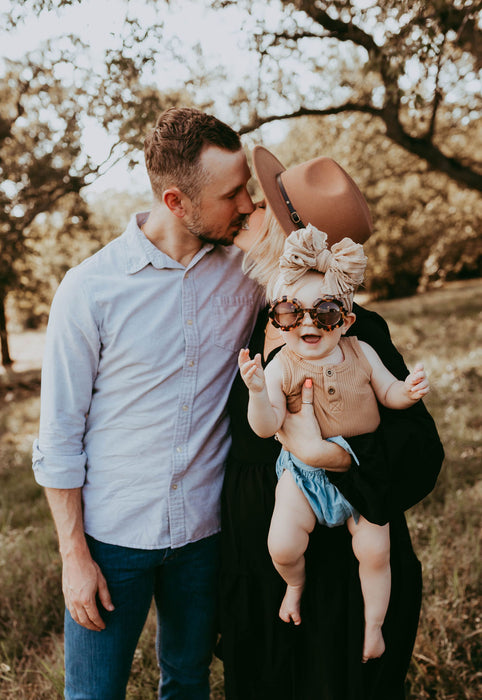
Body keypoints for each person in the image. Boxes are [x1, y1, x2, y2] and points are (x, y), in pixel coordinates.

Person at [32, 107, 265, 700]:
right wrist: (74, 557)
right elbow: (59, 435)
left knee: (188, 682)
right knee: (92, 695)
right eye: (232, 194)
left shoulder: (248, 270)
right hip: (112, 540)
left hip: (207, 536)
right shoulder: (89, 290)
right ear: (176, 201)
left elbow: (324, 253)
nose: (246, 204)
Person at [218, 146, 444, 699]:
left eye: (263, 204)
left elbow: (419, 450)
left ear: (294, 236)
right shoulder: (261, 319)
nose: (246, 207)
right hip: (264, 555)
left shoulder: (355, 331)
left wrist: (330, 456)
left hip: (337, 563)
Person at [238, 225, 429, 662]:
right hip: (301, 476)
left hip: (361, 470)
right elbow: (267, 427)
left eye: (323, 312)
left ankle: (374, 628)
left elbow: (388, 392)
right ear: (277, 319)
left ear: (344, 322)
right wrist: (254, 392)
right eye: (291, 312)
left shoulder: (362, 351)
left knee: (375, 552)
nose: (307, 322)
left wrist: (408, 390)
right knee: (283, 544)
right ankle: (295, 585)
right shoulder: (280, 364)